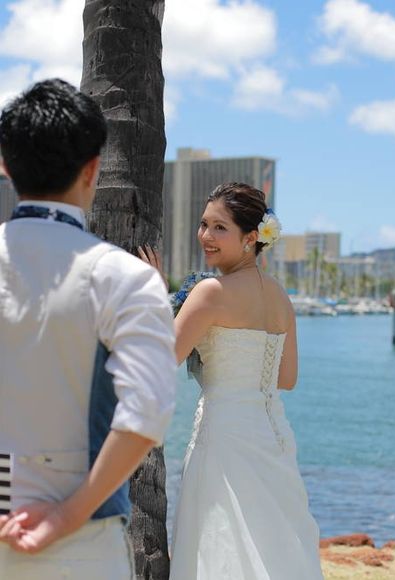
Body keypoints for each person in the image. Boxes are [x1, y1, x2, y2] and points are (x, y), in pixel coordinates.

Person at [0, 79, 177, 579]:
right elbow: (147, 413)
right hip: (79, 541)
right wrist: (65, 515)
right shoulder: (125, 276)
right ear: (93, 168)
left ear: (5, 165)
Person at [145, 182, 323, 579]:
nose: (206, 236)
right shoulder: (280, 296)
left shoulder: (210, 292)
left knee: (220, 546)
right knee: (273, 545)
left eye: (220, 227)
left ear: (251, 238)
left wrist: (156, 297)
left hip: (223, 438)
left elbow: (160, 359)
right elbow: (287, 379)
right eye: (204, 224)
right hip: (273, 436)